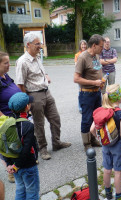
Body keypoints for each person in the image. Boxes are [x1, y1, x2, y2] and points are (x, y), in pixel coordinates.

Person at [16, 32, 71, 160]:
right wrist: (27, 102)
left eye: (40, 43)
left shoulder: (36, 57)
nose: (40, 46)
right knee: (39, 124)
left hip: (46, 92)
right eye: (37, 44)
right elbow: (20, 84)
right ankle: (43, 149)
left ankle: (56, 143)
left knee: (55, 119)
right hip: (35, 96)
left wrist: (46, 75)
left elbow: (41, 72)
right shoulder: (22, 62)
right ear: (28, 45)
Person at [90, 84, 121, 200]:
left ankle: (107, 192)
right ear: (120, 97)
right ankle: (118, 194)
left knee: (107, 170)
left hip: (106, 145)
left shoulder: (101, 111)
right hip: (118, 146)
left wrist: (100, 139)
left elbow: (92, 129)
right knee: (117, 171)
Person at [4, 92, 39, 200]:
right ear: (27, 106)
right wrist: (17, 165)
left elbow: (4, 146)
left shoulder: (7, 123)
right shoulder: (27, 125)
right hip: (28, 165)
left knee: (20, 188)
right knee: (32, 191)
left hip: (14, 164)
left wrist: (10, 164)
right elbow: (27, 149)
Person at [74, 34, 104, 151]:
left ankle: (93, 139)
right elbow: (76, 79)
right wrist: (94, 82)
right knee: (87, 119)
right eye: (101, 46)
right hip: (86, 94)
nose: (102, 49)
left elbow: (97, 71)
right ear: (94, 45)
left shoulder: (96, 55)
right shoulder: (82, 57)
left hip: (96, 92)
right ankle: (86, 144)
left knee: (96, 117)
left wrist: (100, 83)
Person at [0, 51, 21, 183]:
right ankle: (10, 171)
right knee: (7, 148)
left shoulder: (5, 75)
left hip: (14, 115)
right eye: (6, 63)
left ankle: (18, 165)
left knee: (16, 144)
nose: (9, 65)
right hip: (6, 119)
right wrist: (5, 121)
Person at [75, 40, 88, 114]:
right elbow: (76, 65)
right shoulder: (77, 55)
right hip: (80, 75)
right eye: (82, 45)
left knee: (87, 91)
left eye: (85, 45)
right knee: (81, 92)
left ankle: (86, 106)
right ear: (80, 46)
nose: (83, 46)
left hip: (88, 75)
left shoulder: (88, 53)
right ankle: (80, 107)